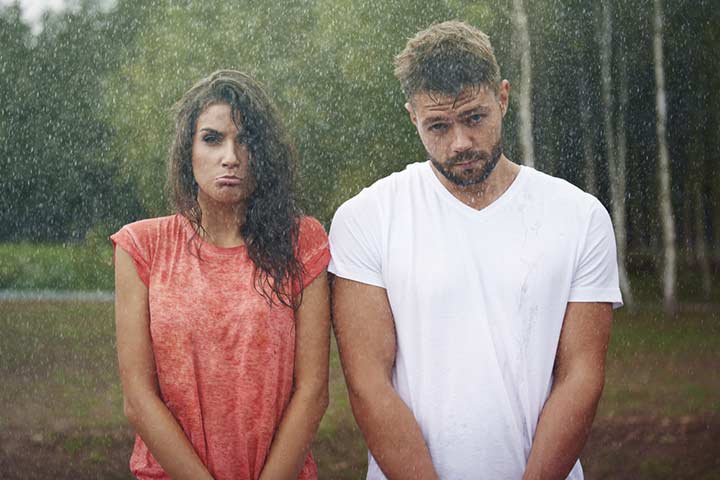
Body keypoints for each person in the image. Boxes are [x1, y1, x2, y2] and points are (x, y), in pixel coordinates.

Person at [329, 21, 622, 480]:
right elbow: (368, 383)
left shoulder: (580, 217)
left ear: (502, 97)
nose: (460, 142)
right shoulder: (365, 218)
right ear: (412, 116)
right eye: (438, 126)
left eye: (474, 117)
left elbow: (580, 377)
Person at [111, 70, 330, 480]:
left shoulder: (302, 241)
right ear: (187, 150)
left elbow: (314, 392)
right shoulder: (142, 247)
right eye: (212, 139)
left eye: (245, 140)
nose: (230, 156)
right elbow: (138, 399)